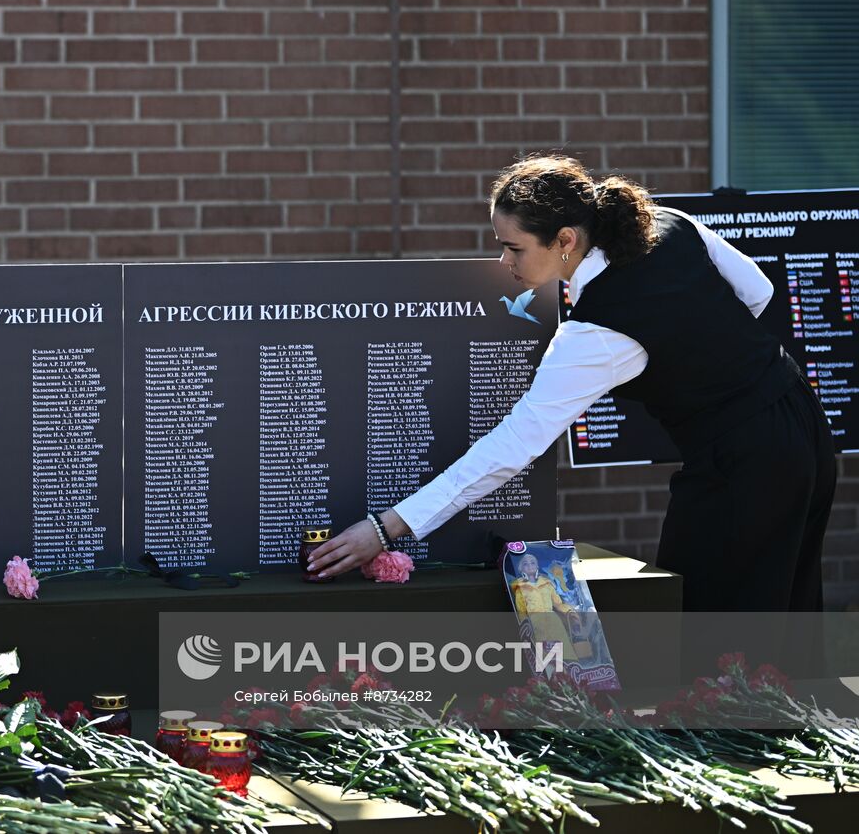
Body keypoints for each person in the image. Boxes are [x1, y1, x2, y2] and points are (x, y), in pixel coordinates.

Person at [307, 155, 836, 612]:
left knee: (713, 639)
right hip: (804, 423)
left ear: (564, 240)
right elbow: (758, 290)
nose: (503, 261)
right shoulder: (668, 222)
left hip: (746, 462)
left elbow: (513, 446)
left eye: (513, 248)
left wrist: (387, 527)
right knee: (785, 617)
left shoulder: (596, 330)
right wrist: (701, 360)